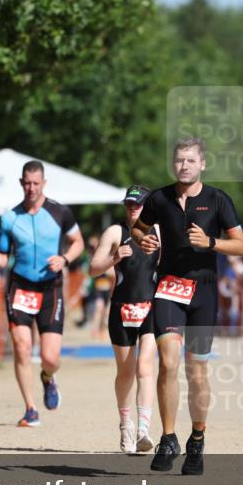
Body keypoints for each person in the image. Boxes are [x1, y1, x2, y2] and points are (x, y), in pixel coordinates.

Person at [131, 137, 243, 475]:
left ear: (202, 164)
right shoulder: (158, 199)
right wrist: (144, 239)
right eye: (179, 160)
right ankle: (169, 438)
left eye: (191, 160)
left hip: (204, 292)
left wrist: (211, 242)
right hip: (168, 286)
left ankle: (197, 439)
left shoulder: (217, 200)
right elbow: (137, 228)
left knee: (196, 370)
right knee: (167, 362)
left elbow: (240, 246)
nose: (184, 165)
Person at [0, 160, 84, 427]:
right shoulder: (9, 218)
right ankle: (30, 409)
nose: (31, 188)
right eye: (27, 183)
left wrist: (65, 259)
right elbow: (4, 258)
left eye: (36, 183)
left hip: (51, 287)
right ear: (21, 183)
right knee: (22, 348)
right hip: (20, 287)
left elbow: (78, 243)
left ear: (44, 183)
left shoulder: (60, 212)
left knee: (50, 357)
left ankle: (48, 377)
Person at [89, 185, 159, 454]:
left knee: (145, 368)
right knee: (126, 372)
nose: (132, 209)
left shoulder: (158, 231)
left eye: (138, 205)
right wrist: (114, 257)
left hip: (150, 308)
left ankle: (143, 429)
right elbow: (93, 269)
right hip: (121, 309)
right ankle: (125, 425)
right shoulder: (115, 233)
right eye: (129, 205)